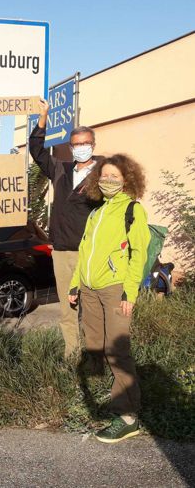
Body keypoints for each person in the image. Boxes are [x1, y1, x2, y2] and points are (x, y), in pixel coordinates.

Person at [68, 154, 150, 443]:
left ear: (126, 180)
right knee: (95, 345)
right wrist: (76, 284)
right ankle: (109, 392)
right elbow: (84, 249)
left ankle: (127, 416)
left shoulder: (132, 210)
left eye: (115, 176)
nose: (108, 181)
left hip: (115, 288)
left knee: (117, 350)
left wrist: (130, 292)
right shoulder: (96, 212)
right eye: (104, 176)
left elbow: (138, 255)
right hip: (89, 289)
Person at [29, 98, 102, 358]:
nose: (81, 148)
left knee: (93, 307)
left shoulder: (105, 172)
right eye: (77, 144)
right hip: (62, 251)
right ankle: (73, 356)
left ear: (93, 145)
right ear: (71, 148)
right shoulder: (61, 169)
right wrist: (43, 116)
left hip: (91, 253)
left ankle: (96, 356)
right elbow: (36, 150)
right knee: (67, 309)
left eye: (86, 143)